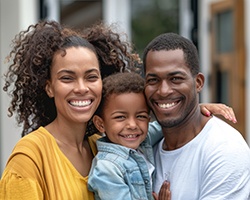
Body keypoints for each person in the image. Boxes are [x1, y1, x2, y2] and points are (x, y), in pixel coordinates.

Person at [0, 19, 237, 199]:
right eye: (67, 78)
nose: (82, 88)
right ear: (49, 87)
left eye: (91, 77)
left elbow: (153, 129)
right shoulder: (30, 157)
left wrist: (195, 107)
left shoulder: (103, 142)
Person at [142, 32, 250, 199]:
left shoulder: (224, 149)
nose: (163, 91)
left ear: (198, 83)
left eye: (175, 79)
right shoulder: (142, 146)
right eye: (153, 80)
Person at [88, 72, 170, 200]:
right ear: (100, 124)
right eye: (120, 117)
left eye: (140, 116)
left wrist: (199, 110)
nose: (132, 125)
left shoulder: (143, 140)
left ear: (148, 119)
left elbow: (167, 124)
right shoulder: (107, 169)